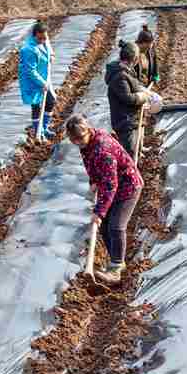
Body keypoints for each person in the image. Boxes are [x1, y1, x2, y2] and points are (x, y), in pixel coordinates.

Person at [66, 113, 143, 285]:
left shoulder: (102, 149)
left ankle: (116, 269)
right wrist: (93, 180)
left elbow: (110, 185)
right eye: (74, 140)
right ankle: (115, 261)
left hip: (128, 187)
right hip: (112, 186)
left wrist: (99, 212)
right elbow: (90, 164)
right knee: (105, 228)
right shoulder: (87, 143)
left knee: (116, 227)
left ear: (88, 131)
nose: (77, 142)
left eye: (79, 138)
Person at [106, 40, 149, 157]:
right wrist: (141, 97)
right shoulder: (119, 76)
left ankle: (139, 152)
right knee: (129, 150)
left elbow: (133, 85)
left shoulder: (127, 70)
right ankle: (130, 168)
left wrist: (141, 89)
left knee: (137, 138)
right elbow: (128, 98)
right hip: (124, 120)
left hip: (131, 116)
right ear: (134, 59)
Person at [19, 20, 56, 140]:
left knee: (50, 101)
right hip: (33, 80)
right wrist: (42, 83)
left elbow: (48, 45)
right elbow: (30, 71)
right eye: (40, 38)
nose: (43, 41)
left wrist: (51, 54)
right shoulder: (28, 50)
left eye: (44, 38)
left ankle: (44, 128)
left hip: (43, 77)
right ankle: (38, 132)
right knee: (36, 106)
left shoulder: (44, 40)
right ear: (34, 35)